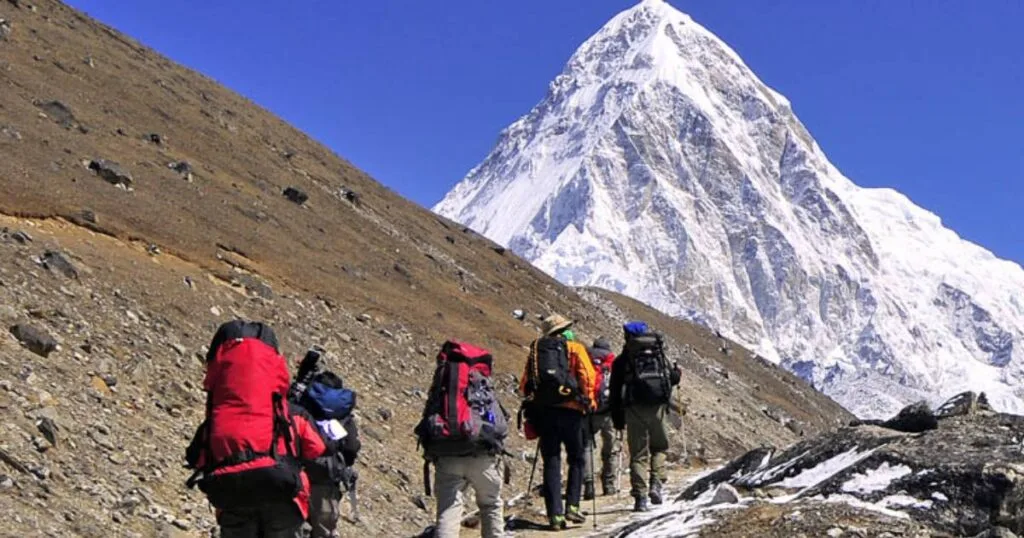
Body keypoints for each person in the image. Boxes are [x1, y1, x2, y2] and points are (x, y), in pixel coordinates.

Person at [185, 320, 327, 538]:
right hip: (284, 497)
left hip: (233, 500)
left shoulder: (216, 418)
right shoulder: (288, 413)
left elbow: (196, 457)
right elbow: (316, 448)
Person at [415, 340, 508, 538]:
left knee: (449, 509)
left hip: (446, 454)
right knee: (491, 503)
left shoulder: (443, 383)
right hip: (481, 455)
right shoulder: (480, 383)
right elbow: (500, 424)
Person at [519, 314, 596, 530]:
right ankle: (572, 505)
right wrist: (588, 401)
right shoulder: (574, 348)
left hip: (545, 413)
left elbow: (526, 383)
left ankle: (555, 516)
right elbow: (588, 377)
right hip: (572, 411)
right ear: (564, 330)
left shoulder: (537, 352)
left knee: (551, 462)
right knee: (577, 459)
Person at [609, 321, 681, 513]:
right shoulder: (658, 354)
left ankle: (640, 498)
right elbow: (671, 378)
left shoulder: (622, 361)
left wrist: (617, 417)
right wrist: (678, 374)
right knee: (660, 448)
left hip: (633, 411)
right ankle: (656, 483)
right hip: (658, 409)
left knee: (638, 455)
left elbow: (614, 392)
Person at [289, 358, 362, 538]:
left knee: (292, 527)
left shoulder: (302, 404)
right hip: (326, 480)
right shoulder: (343, 415)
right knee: (323, 531)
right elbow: (352, 448)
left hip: (297, 474)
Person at [583, 337, 620, 499]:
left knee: (588, 446)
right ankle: (609, 484)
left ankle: (589, 484)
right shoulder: (612, 362)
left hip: (590, 410)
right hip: (609, 411)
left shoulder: (586, 359)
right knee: (611, 448)